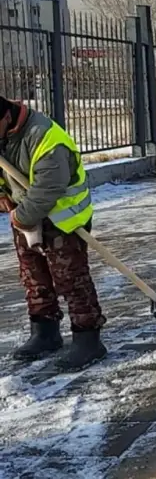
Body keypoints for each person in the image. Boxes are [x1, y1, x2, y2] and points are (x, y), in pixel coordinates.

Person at [0, 96, 107, 371]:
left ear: (6, 118)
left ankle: (88, 338)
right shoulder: (4, 136)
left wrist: (19, 216)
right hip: (25, 214)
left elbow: (48, 188)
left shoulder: (46, 137)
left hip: (64, 219)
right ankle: (44, 332)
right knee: (33, 276)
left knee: (70, 278)